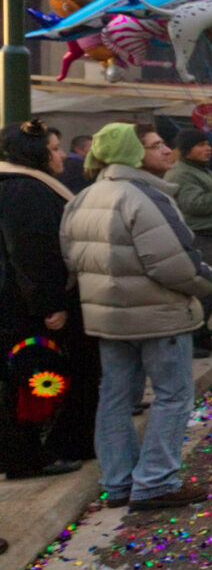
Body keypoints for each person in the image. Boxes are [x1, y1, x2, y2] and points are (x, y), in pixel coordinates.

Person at [59, 123, 212, 511]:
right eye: (156, 146)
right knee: (172, 396)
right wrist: (207, 281)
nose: (167, 151)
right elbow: (175, 263)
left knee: (114, 397)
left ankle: (118, 480)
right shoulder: (142, 197)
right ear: (133, 153)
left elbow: (70, 257)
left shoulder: (83, 197)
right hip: (157, 315)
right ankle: (156, 480)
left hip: (109, 318)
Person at [0, 121, 94, 478]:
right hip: (25, 308)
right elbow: (31, 252)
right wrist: (50, 304)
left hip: (20, 302)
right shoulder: (25, 189)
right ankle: (28, 457)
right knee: (34, 379)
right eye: (54, 148)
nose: (60, 156)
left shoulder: (21, 185)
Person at [165, 129, 212, 357]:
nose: (207, 149)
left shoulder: (199, 170)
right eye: (200, 145)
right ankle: (191, 337)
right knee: (204, 290)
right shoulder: (183, 174)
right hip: (198, 238)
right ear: (187, 149)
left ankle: (202, 332)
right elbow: (195, 204)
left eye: (208, 144)